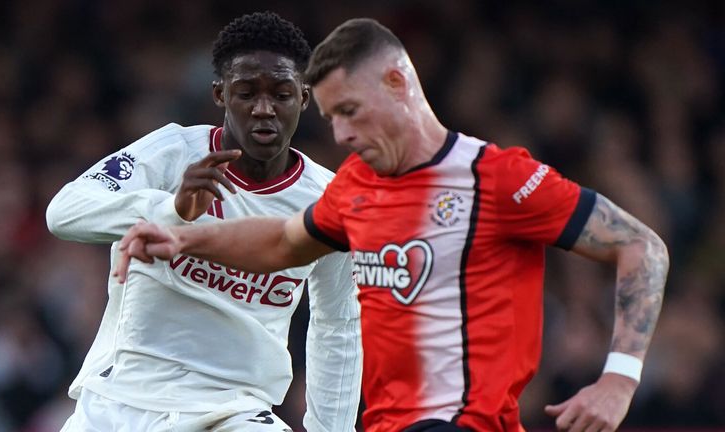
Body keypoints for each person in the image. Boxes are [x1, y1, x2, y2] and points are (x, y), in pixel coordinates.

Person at [115, 18, 669, 432]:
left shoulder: (496, 178)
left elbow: (640, 247)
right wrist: (180, 236)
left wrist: (619, 377)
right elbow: (282, 241)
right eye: (331, 118)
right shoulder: (355, 186)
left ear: (399, 84)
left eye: (351, 111)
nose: (342, 135)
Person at [46, 12, 362, 432]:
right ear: (220, 94)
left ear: (305, 98)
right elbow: (64, 211)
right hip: (120, 400)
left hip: (233, 411)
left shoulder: (329, 202)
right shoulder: (173, 153)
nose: (264, 109)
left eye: (281, 94)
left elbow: (338, 323)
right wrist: (169, 211)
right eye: (246, 92)